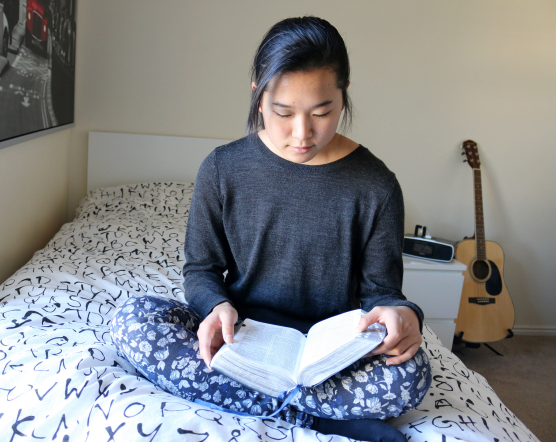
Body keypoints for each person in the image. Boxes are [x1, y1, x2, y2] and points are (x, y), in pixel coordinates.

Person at [111, 16, 431, 441]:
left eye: (322, 112)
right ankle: (312, 416)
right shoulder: (222, 169)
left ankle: (261, 402)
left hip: (332, 352)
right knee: (133, 321)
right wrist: (216, 308)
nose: (302, 134)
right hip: (242, 337)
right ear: (258, 97)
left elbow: (382, 293)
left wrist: (404, 315)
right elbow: (201, 270)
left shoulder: (376, 184)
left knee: (412, 374)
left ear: (343, 96)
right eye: (284, 112)